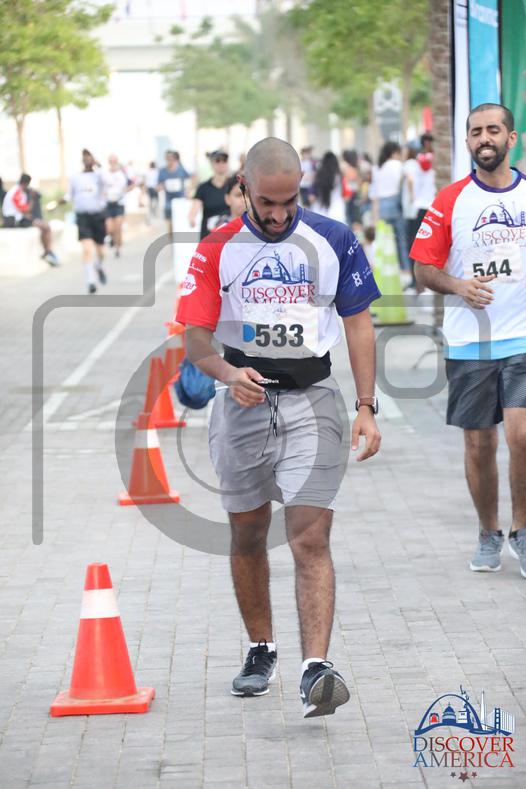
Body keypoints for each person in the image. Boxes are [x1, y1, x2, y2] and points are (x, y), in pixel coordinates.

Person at [176, 137, 382, 717]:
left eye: (289, 201)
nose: (278, 214)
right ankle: (260, 648)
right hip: (241, 405)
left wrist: (366, 405)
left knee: (310, 536)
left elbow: (359, 324)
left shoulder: (333, 239)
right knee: (247, 533)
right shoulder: (216, 248)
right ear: (243, 186)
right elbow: (195, 339)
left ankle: (316, 668)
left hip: (313, 401)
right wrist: (226, 372)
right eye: (267, 202)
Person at [412, 103, 526, 578]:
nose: (484, 138)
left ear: (511, 138)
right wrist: (459, 286)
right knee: (480, 444)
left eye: (493, 130)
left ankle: (522, 530)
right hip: (470, 341)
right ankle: (488, 531)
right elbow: (423, 269)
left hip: (521, 336)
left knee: (522, 436)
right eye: (475, 131)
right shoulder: (450, 200)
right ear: (466, 141)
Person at [68, 149, 107, 294]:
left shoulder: (99, 176)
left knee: (101, 250)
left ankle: (98, 266)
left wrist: (99, 165)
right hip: (83, 217)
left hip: (97, 216)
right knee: (87, 248)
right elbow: (70, 195)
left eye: (90, 158)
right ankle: (91, 280)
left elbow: (107, 181)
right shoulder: (75, 178)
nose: (87, 161)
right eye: (85, 159)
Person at [370, 141, 409, 275]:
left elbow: (374, 195)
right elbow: (405, 181)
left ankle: (385, 270)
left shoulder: (377, 168)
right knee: (401, 240)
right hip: (395, 204)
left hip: (382, 207)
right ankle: (405, 270)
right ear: (394, 153)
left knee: (384, 241)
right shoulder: (397, 165)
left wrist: (375, 218)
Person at [2, 174, 59, 266]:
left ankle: (48, 251)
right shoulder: (16, 192)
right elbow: (26, 210)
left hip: (19, 217)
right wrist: (32, 198)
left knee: (45, 225)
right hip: (14, 220)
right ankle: (48, 251)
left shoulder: (19, 191)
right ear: (26, 183)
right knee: (45, 226)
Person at [189, 149, 230, 240]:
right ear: (211, 164)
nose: (221, 164)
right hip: (209, 236)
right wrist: (192, 218)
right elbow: (195, 207)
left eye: (224, 160)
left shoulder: (234, 186)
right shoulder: (203, 188)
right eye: (217, 161)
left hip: (230, 237)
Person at [103, 154, 130, 258]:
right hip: (108, 203)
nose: (113, 163)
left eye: (114, 161)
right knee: (109, 228)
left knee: (118, 226)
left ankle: (118, 248)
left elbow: (133, 182)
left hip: (119, 203)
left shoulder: (123, 173)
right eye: (111, 161)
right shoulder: (105, 174)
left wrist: (125, 191)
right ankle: (112, 240)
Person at [158, 150, 190, 235]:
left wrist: (188, 191)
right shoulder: (162, 171)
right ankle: (171, 239)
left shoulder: (181, 170)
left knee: (180, 223)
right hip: (168, 201)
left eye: (172, 158)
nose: (170, 160)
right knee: (170, 224)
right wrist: (161, 187)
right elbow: (158, 186)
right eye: (168, 158)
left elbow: (191, 178)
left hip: (180, 200)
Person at [310, 151, 346, 223]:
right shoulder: (339, 176)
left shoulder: (318, 176)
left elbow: (312, 197)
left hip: (320, 212)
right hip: (337, 212)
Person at [342, 149, 362, 231]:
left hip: (349, 195)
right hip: (353, 194)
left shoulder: (347, 169)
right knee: (354, 217)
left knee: (351, 216)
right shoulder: (354, 169)